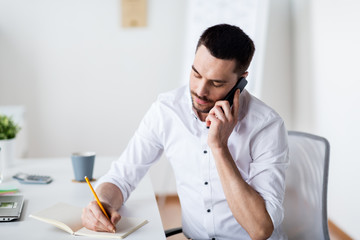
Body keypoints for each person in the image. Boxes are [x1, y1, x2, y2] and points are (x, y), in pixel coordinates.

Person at [81, 24, 289, 240]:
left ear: (241, 81)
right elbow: (122, 176)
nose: (200, 91)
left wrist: (219, 147)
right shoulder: (167, 111)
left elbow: (260, 230)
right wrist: (101, 204)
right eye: (196, 74)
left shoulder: (266, 126)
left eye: (216, 83)